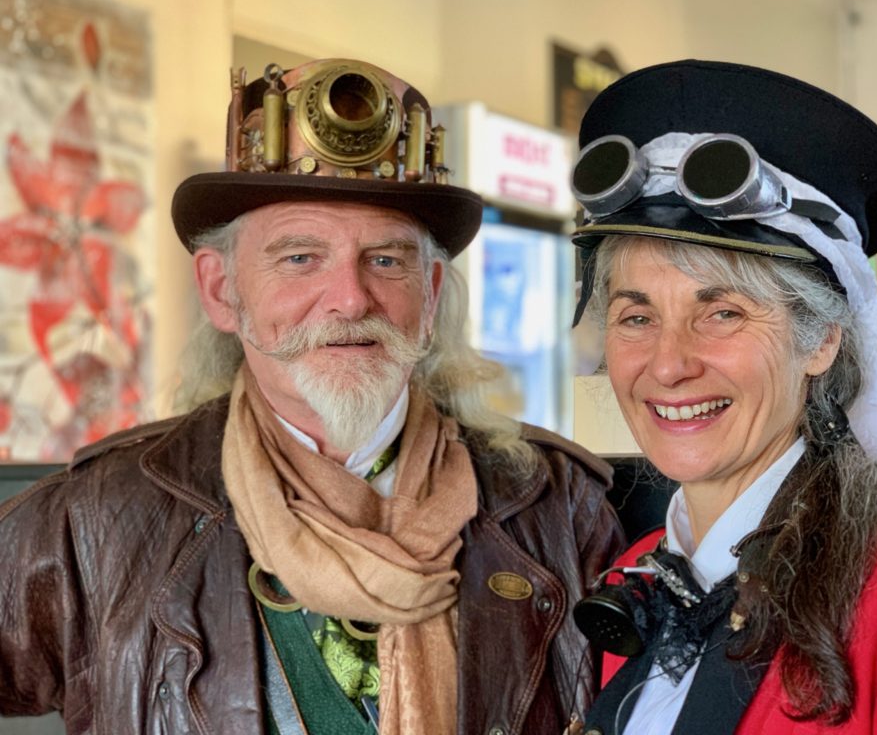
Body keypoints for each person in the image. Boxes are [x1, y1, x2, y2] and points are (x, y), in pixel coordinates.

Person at [0, 57, 625, 735]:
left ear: (432, 295)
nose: (351, 298)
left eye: (386, 260)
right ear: (220, 291)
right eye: (300, 258)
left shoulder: (561, 507)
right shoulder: (93, 518)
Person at [564, 60, 877, 734]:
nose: (668, 364)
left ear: (821, 342)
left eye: (721, 313)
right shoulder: (639, 573)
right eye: (637, 317)